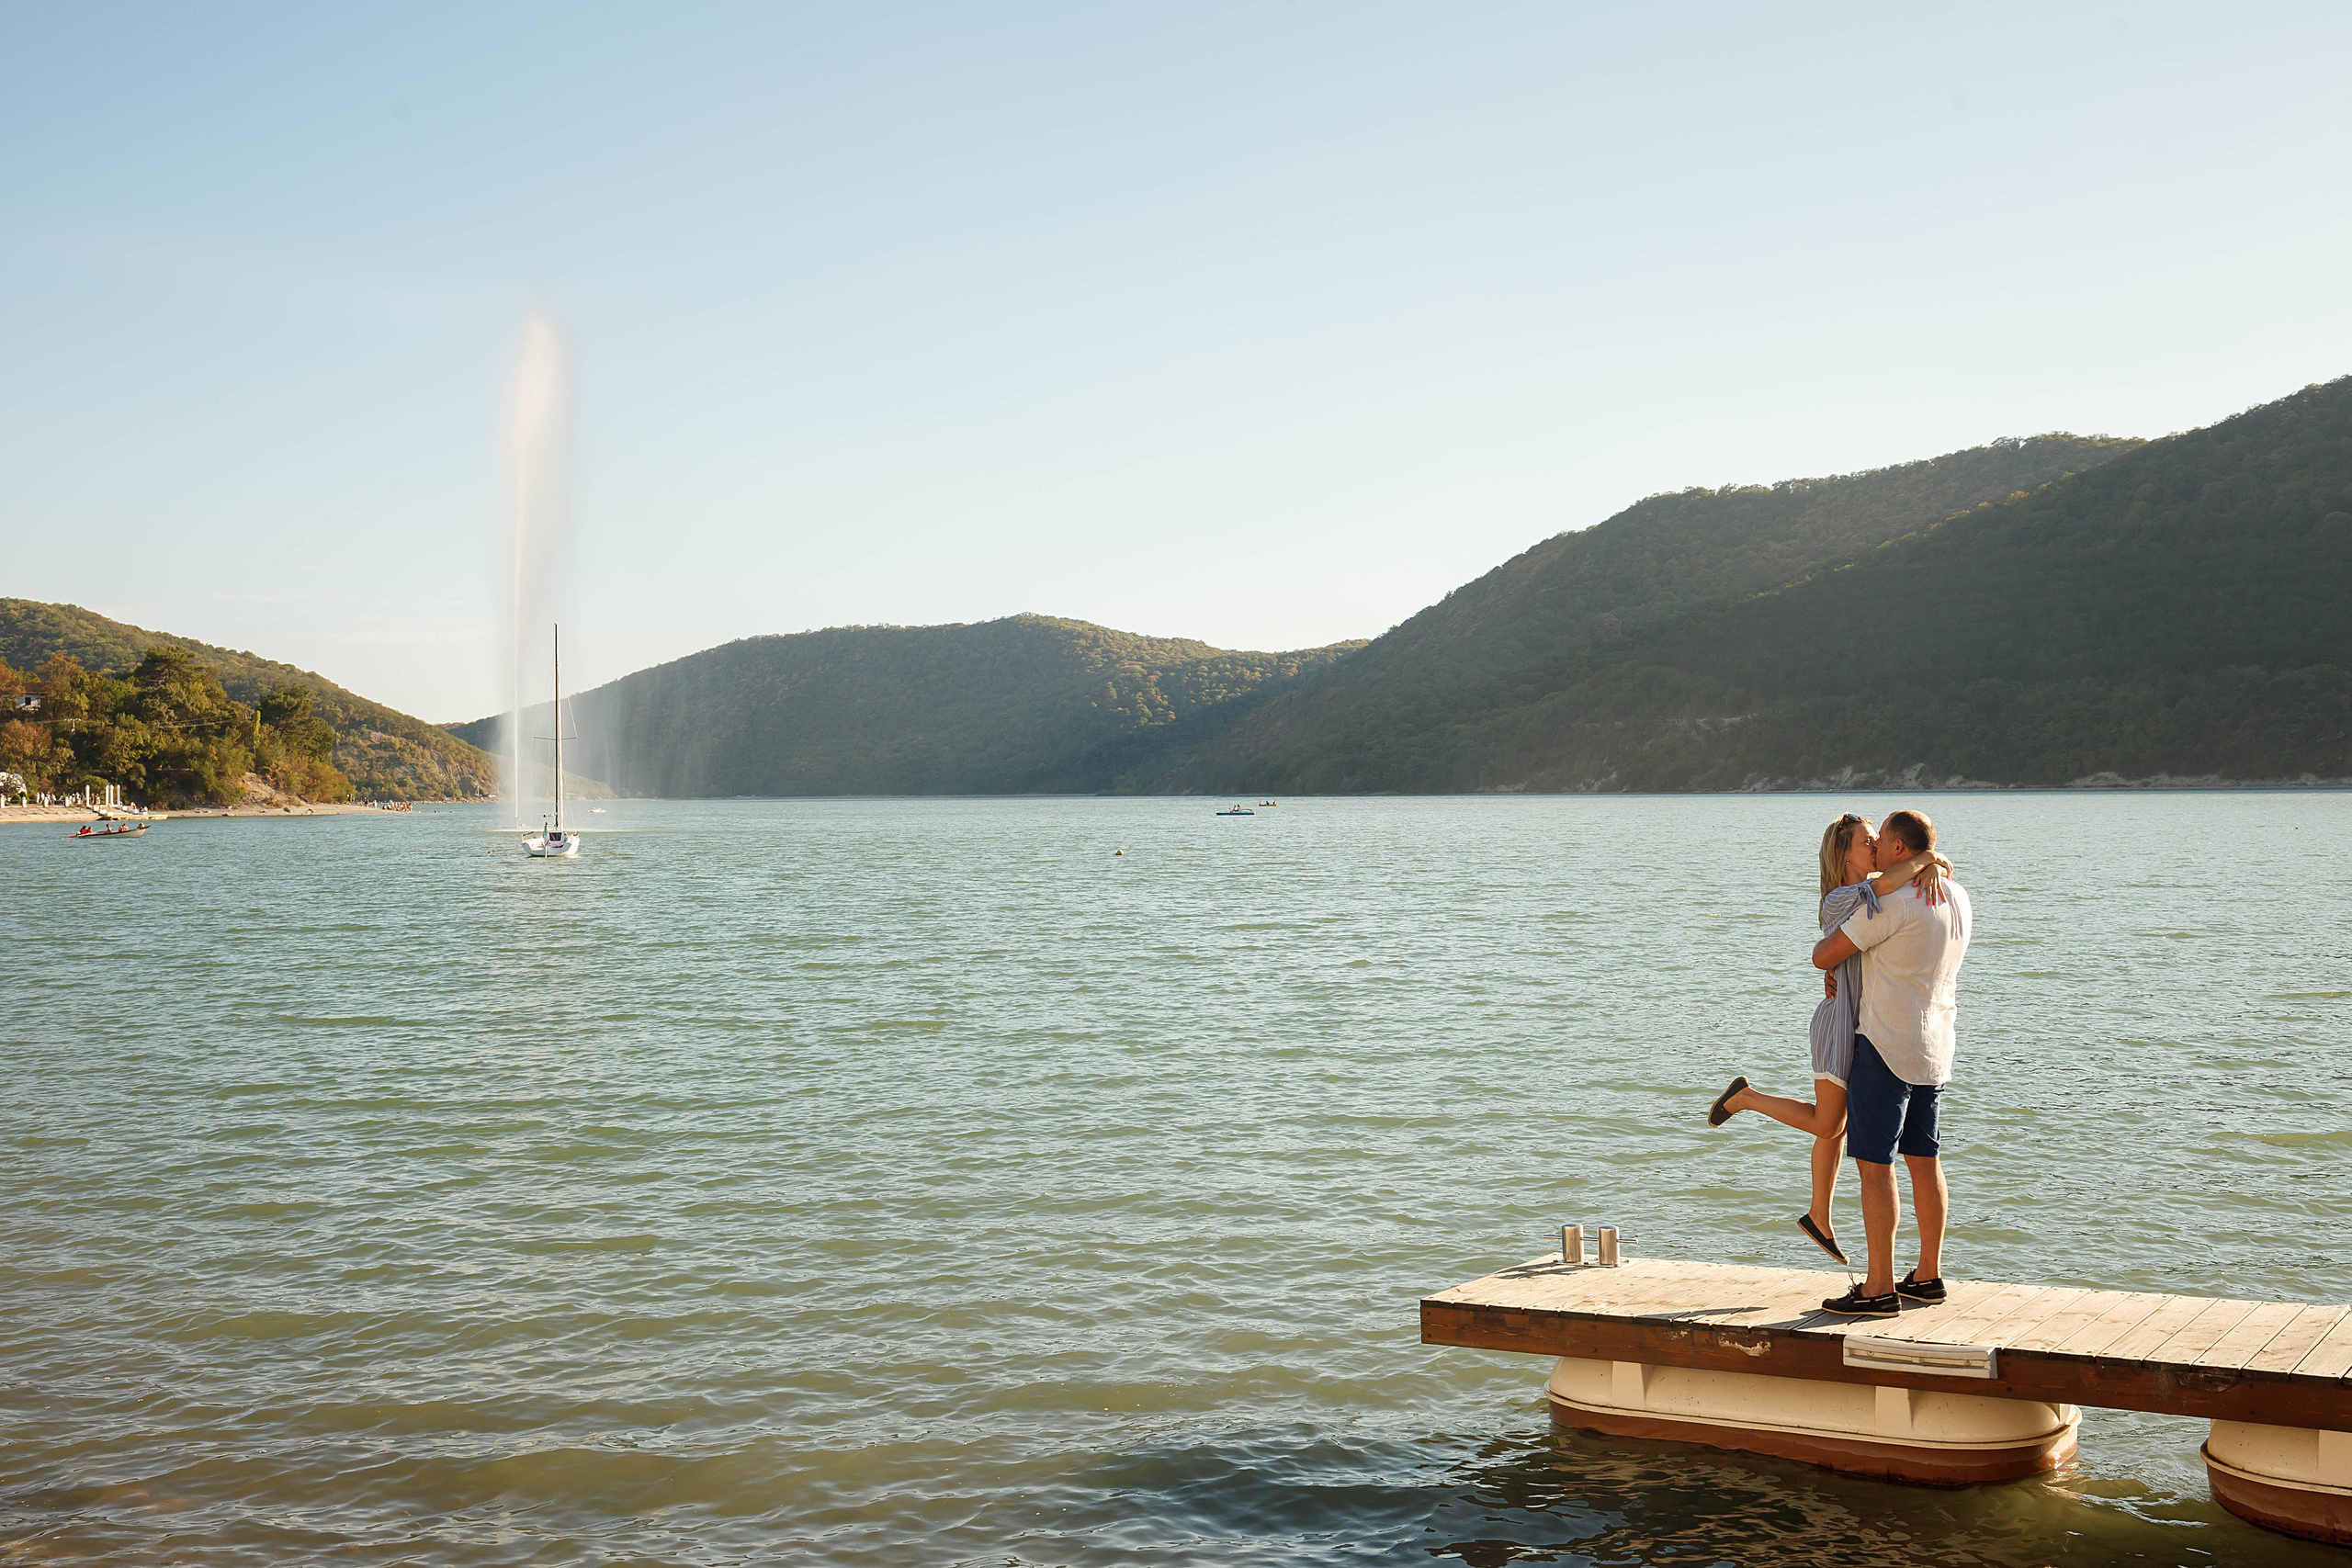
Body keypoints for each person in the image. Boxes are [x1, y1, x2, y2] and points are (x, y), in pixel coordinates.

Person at [1706, 815, 1948, 1264]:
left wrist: (1927, 865)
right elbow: (1888, 885)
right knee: (1827, 1124)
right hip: (1839, 1022)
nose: (1875, 846)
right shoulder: (1843, 898)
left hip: (1863, 1021)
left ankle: (1820, 1215)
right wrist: (1927, 859)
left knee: (1835, 1126)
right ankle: (1745, 1098)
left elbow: (1898, 878)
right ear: (1843, 854)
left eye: (1878, 840)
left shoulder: (1886, 886)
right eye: (1866, 842)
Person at [1809, 807, 1973, 1317]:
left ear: (1899, 849)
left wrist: (1833, 967)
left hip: (1886, 1044)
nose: (1875, 849)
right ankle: (1928, 1274)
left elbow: (1824, 953)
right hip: (1936, 1045)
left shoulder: (1892, 904)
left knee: (1875, 1166)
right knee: (1925, 1158)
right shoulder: (1958, 896)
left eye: (1881, 842)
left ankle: (1877, 1286)